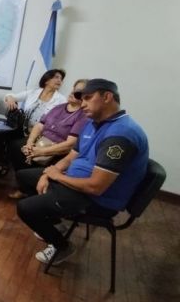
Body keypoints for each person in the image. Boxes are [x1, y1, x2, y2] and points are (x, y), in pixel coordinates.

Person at [15, 79, 148, 265]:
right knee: (24, 176)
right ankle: (54, 223)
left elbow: (96, 187)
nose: (82, 104)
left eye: (88, 98)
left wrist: (57, 176)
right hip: (74, 182)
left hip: (98, 200)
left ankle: (62, 246)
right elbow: (71, 156)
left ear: (107, 97)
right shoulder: (93, 124)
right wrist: (48, 173)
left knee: (26, 208)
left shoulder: (121, 135)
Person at [7, 79, 89, 197]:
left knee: (34, 157)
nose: (72, 93)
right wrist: (30, 142)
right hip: (42, 141)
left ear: (86, 97)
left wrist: (41, 152)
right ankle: (25, 184)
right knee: (16, 146)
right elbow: (40, 125)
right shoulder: (59, 107)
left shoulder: (83, 116)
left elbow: (70, 144)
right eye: (73, 89)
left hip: (59, 149)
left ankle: (33, 189)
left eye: (78, 92)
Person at [4, 68, 67, 134]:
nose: (59, 80)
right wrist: (10, 98)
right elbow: (10, 96)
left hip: (40, 134)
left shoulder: (62, 100)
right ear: (46, 80)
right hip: (21, 128)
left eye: (61, 79)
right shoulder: (33, 92)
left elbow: (60, 122)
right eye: (56, 77)